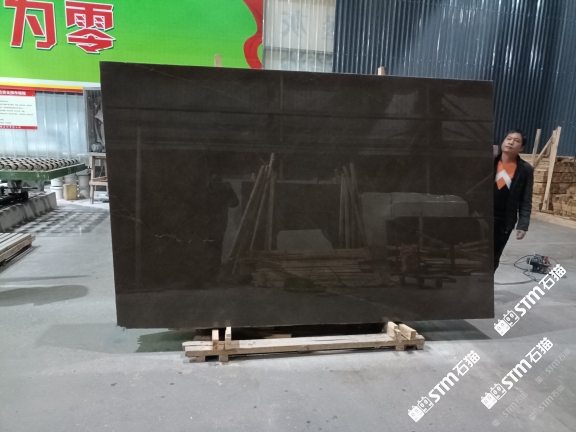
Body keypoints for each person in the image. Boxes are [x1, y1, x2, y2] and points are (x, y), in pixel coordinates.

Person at [494, 129, 534, 272]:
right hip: (480, 217)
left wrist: (523, 224)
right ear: (503, 141)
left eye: (516, 141)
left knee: (493, 257)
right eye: (508, 138)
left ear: (521, 148)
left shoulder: (525, 170)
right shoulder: (490, 161)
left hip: (503, 221)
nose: (511, 142)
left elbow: (526, 199)